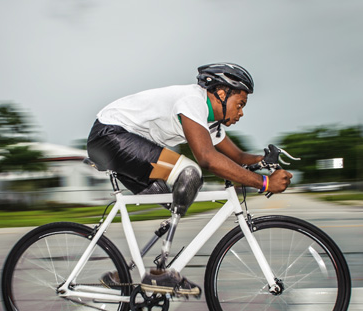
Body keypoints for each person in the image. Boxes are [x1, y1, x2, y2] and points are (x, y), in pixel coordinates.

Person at [87, 63, 292, 296]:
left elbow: (237, 157)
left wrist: (264, 161)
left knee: (179, 199)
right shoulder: (192, 101)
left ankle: (123, 272)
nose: (241, 112)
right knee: (189, 173)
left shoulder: (209, 122)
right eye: (240, 104)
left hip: (125, 143)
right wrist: (264, 183)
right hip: (111, 135)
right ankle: (161, 274)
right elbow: (207, 158)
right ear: (222, 93)